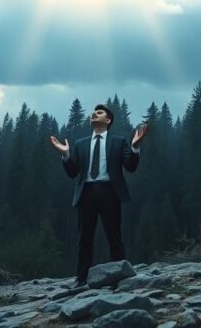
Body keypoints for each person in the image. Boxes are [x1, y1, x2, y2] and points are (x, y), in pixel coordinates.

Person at [49, 103, 149, 287]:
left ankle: (121, 276)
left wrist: (135, 147)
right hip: (85, 193)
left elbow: (131, 167)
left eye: (100, 112)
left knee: (114, 236)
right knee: (84, 238)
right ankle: (81, 279)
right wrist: (65, 155)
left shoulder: (119, 141)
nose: (94, 114)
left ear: (108, 120)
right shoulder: (80, 144)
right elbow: (72, 172)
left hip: (110, 192)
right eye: (93, 112)